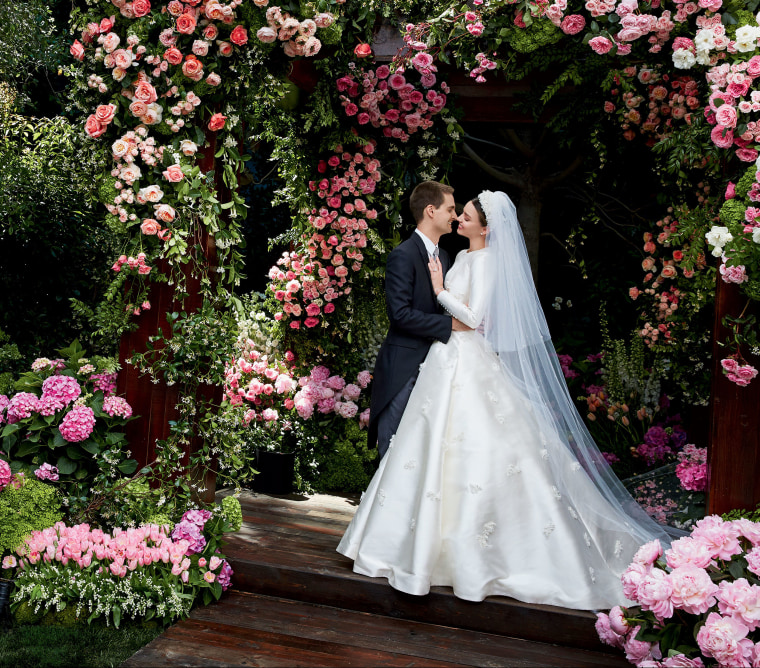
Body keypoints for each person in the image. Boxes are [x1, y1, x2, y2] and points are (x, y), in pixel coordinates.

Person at [338, 190, 677, 610]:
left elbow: (473, 318)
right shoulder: (455, 256)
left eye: (463, 215)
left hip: (465, 357)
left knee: (481, 448)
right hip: (443, 360)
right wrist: (447, 302)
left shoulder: (486, 261)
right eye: (454, 212)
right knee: (426, 449)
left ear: (486, 226)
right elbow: (431, 315)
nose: (458, 219)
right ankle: (418, 547)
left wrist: (441, 291)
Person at [368, 180, 469, 459]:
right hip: (404, 367)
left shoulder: (447, 257)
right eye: (450, 209)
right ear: (430, 211)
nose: (455, 216)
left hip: (439, 366)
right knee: (393, 447)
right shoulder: (402, 255)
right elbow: (399, 315)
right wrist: (450, 325)